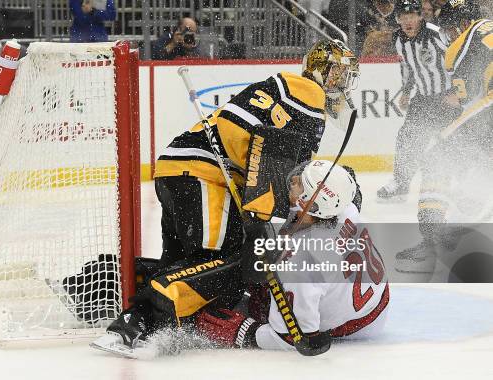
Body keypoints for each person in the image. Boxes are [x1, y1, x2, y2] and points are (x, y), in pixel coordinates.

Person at [88, 39, 361, 356]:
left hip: (184, 171)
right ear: (317, 71)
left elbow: (274, 156)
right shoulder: (307, 93)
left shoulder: (292, 93)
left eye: (346, 75)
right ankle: (136, 324)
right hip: (205, 174)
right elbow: (267, 146)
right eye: (336, 73)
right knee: (230, 264)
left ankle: (103, 286)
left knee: (186, 266)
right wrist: (260, 217)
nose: (340, 83)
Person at [195, 160, 389, 351]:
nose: (294, 178)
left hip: (354, 325)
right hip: (371, 298)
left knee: (254, 289)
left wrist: (245, 332)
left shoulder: (300, 266)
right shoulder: (342, 208)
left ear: (309, 204)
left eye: (301, 183)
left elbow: (294, 338)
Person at [395, 0, 492, 273]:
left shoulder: (459, 46)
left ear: (457, 26)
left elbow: (462, 100)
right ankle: (468, 208)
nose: (446, 36)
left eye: (448, 30)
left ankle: (431, 244)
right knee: (478, 160)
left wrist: (447, 102)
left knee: (437, 157)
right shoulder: (487, 29)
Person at [376, 0, 460, 202]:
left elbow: (457, 57)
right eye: (403, 17)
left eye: (412, 16)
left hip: (447, 98)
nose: (408, 21)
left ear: (421, 16)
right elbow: (408, 66)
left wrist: (457, 91)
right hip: (422, 99)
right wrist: (406, 91)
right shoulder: (398, 39)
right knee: (407, 139)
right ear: (397, 19)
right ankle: (401, 183)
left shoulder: (435, 33)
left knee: (454, 141)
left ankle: (461, 185)